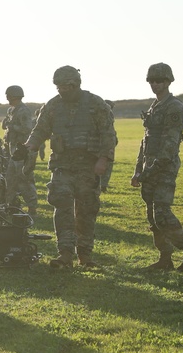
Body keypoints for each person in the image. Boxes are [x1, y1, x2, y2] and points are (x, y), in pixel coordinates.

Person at [18, 66, 117, 268]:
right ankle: (65, 254)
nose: (62, 90)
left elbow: (108, 135)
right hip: (62, 166)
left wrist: (103, 159)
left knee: (86, 211)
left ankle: (85, 256)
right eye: (59, 87)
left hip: (87, 167)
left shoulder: (96, 104)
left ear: (76, 84)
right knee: (62, 206)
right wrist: (29, 146)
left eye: (66, 86)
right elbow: (40, 130)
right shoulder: (53, 106)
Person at [131, 63, 183, 272]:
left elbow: (170, 145)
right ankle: (165, 259)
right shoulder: (155, 106)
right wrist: (138, 169)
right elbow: (145, 142)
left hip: (164, 167)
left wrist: (150, 170)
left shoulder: (174, 107)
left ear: (168, 81)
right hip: (149, 166)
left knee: (161, 213)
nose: (155, 84)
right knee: (152, 217)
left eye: (159, 81)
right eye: (152, 81)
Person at [1, 85, 38, 216]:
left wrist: (12, 126)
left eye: (8, 95)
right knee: (10, 179)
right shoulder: (12, 110)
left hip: (22, 151)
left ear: (13, 96)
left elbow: (27, 129)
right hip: (13, 151)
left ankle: (32, 207)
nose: (6, 98)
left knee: (25, 180)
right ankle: (9, 205)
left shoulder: (23, 111)